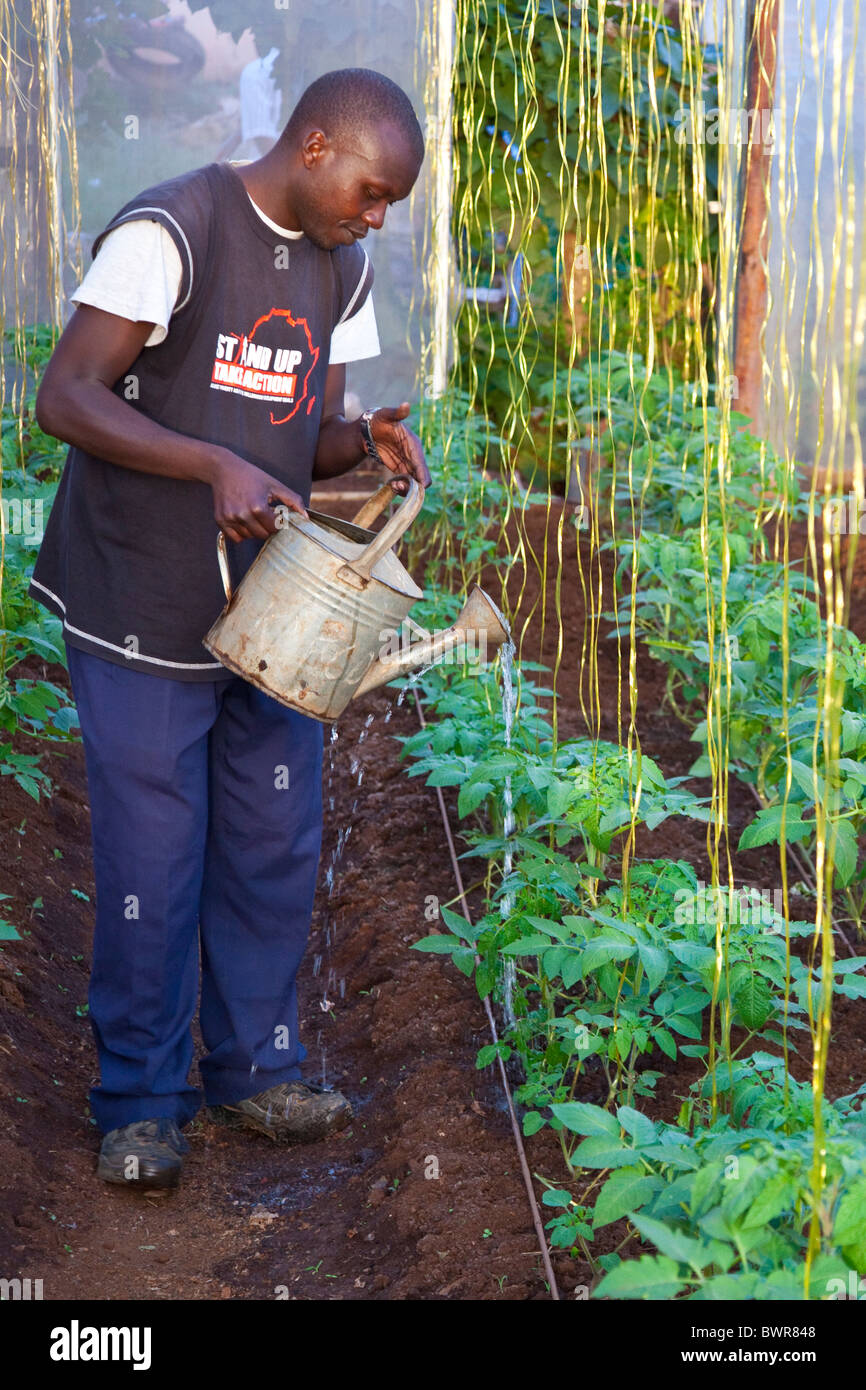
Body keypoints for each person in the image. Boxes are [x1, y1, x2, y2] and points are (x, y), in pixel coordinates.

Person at [31, 67, 431, 1192]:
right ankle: (141, 1100)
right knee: (154, 855)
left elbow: (301, 439)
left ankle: (254, 1069)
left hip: (273, 609)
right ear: (314, 146)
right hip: (140, 597)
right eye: (370, 189)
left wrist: (362, 442)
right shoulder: (173, 228)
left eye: (390, 201)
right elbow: (65, 396)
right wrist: (208, 460)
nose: (375, 216)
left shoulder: (339, 269)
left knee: (269, 837)